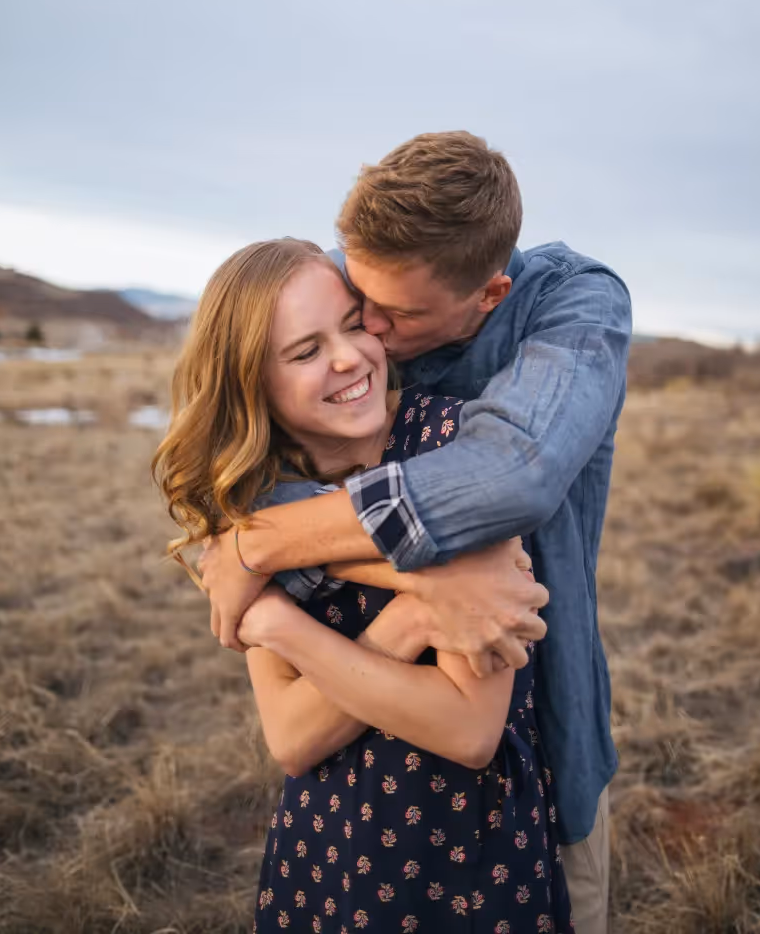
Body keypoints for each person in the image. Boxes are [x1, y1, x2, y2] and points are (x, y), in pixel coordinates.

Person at [199, 131, 632, 934]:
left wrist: (258, 547)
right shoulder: (350, 291)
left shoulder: (570, 308)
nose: (366, 333)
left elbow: (509, 479)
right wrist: (420, 591)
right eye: (353, 299)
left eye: (392, 316)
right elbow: (243, 423)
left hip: (525, 776)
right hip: (343, 827)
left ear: (488, 295)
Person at [155, 239, 573, 932]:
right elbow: (291, 739)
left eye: (354, 325)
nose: (349, 358)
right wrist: (407, 622)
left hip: (468, 854)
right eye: (305, 352)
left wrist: (279, 622)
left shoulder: (455, 452)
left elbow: (467, 728)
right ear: (251, 383)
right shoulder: (254, 501)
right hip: (326, 851)